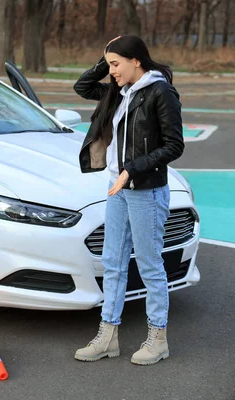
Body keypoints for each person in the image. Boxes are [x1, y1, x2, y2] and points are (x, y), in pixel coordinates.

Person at [73, 35, 184, 365]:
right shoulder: (118, 90)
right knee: (113, 263)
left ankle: (158, 338)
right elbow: (83, 86)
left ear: (137, 60)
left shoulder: (160, 91)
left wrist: (132, 168)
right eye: (108, 66)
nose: (111, 72)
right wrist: (106, 56)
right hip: (117, 189)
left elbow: (174, 145)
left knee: (150, 266)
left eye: (116, 64)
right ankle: (108, 336)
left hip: (146, 190)